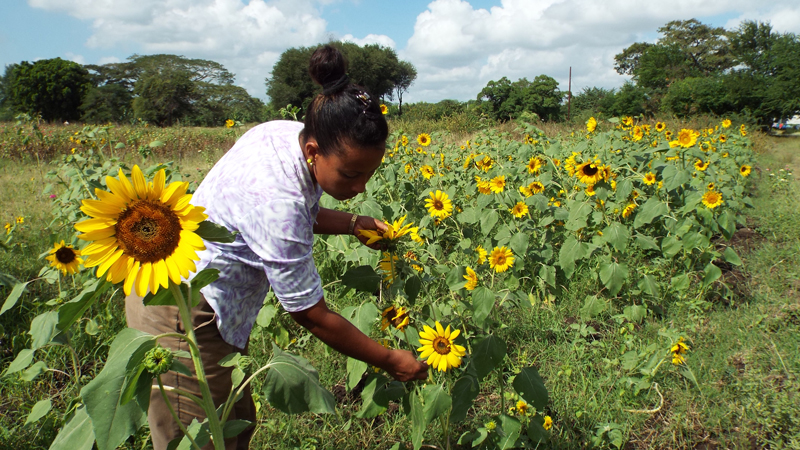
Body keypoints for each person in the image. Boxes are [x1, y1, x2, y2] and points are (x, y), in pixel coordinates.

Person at [125, 44, 429, 450]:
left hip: (210, 299)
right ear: (313, 151)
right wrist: (391, 360)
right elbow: (311, 314)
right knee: (199, 438)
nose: (361, 188)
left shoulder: (281, 133)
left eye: (369, 173)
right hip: (181, 307)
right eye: (352, 174)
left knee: (234, 422)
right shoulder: (278, 202)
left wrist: (353, 223)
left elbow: (292, 212)